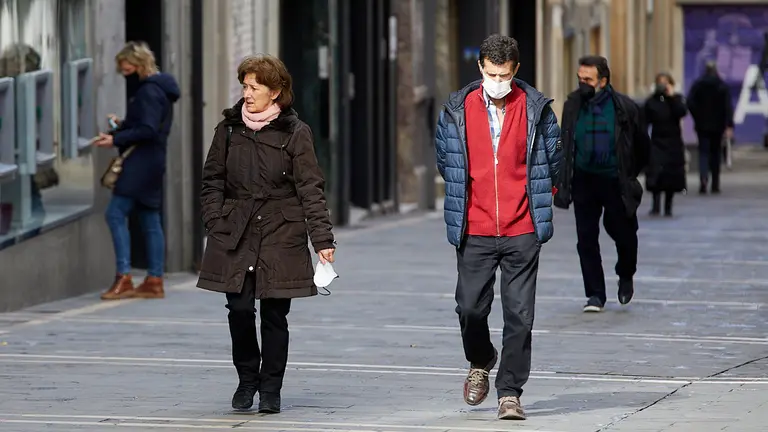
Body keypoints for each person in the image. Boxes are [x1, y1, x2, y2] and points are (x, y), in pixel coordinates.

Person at [197, 55, 336, 413]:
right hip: (236, 229)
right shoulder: (228, 130)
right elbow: (212, 180)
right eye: (244, 86)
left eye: (254, 87)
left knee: (274, 313)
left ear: (275, 92)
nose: (247, 93)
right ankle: (247, 380)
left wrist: (322, 240)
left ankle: (271, 388)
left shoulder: (295, 132)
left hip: (281, 230)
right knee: (239, 308)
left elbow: (310, 188)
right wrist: (214, 219)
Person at [435, 34, 562, 421]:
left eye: (504, 74)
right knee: (470, 308)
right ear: (480, 68)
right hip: (474, 227)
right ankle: (481, 359)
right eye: (491, 73)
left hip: (522, 227)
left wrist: (535, 202)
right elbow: (447, 161)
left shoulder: (537, 109)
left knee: (520, 316)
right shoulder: (457, 108)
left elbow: (552, 160)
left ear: (516, 70)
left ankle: (510, 392)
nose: (498, 80)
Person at [554, 56, 650, 313]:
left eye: (588, 80)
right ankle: (595, 294)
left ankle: (626, 273)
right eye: (579, 79)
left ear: (603, 81)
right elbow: (565, 140)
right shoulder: (573, 104)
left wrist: (630, 174)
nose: (582, 84)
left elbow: (641, 145)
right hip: (584, 179)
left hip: (614, 179)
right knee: (585, 238)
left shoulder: (623, 107)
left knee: (625, 233)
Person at [95, 41, 179, 300]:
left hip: (140, 163)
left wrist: (115, 139)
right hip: (153, 161)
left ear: (138, 63)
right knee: (149, 218)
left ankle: (124, 277)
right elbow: (146, 124)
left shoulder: (149, 92)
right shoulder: (160, 89)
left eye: (126, 66)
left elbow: (148, 129)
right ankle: (154, 280)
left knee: (115, 213)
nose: (124, 71)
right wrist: (123, 125)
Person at [686, 61, 734, 194]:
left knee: (703, 153)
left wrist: (697, 116)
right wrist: (729, 124)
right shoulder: (722, 86)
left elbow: (690, 102)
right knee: (716, 153)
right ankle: (715, 183)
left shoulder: (698, 84)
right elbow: (727, 107)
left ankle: (703, 179)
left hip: (702, 125)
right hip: (718, 125)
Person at [644, 73, 687, 217]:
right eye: (660, 83)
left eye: (665, 83)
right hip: (657, 141)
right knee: (656, 173)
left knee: (671, 175)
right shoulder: (651, 101)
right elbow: (644, 120)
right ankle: (655, 205)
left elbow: (682, 112)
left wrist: (672, 97)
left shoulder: (676, 100)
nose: (662, 86)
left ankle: (668, 206)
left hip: (673, 142)